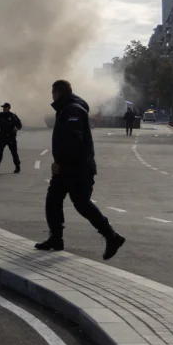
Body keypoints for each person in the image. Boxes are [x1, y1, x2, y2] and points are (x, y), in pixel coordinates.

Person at [34, 79, 125, 261]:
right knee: (53, 200)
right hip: (70, 167)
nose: (51, 97)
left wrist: (60, 162)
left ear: (58, 93)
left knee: (82, 204)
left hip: (77, 168)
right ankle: (56, 238)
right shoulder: (67, 109)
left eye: (53, 93)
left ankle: (112, 236)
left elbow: (74, 140)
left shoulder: (72, 110)